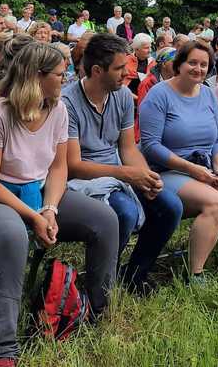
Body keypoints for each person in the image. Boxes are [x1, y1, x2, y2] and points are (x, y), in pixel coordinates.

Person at [0, 42, 116, 364]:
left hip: (38, 191)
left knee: (104, 219)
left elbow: (58, 168)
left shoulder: (58, 108)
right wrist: (34, 217)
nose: (67, 78)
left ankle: (94, 312)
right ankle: (2, 349)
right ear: (37, 76)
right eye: (60, 74)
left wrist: (49, 209)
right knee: (11, 234)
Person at [64, 34, 181, 294]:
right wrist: (128, 174)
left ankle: (135, 274)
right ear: (97, 70)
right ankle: (102, 285)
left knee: (170, 206)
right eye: (119, 68)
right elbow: (73, 165)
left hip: (118, 172)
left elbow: (128, 148)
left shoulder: (123, 96)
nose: (127, 73)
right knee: (125, 212)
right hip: (82, 180)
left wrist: (145, 175)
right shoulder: (67, 103)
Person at [139, 41, 218, 280]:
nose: (198, 69)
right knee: (214, 202)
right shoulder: (159, 95)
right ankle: (196, 274)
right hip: (167, 170)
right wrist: (193, 169)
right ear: (179, 64)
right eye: (192, 62)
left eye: (204, 64)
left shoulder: (209, 94)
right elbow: (151, 146)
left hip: (206, 169)